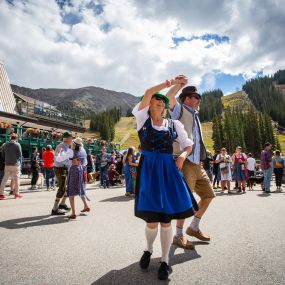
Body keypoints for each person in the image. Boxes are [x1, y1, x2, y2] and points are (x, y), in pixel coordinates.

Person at [133, 79, 198, 280]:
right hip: (149, 170)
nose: (161, 103)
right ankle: (148, 248)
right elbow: (147, 91)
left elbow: (188, 144)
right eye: (156, 101)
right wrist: (168, 82)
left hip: (168, 170)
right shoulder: (142, 119)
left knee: (166, 219)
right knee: (152, 220)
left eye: (163, 102)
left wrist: (182, 156)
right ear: (149, 104)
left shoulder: (173, 124)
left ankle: (164, 261)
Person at [167, 79, 215, 249]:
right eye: (195, 96)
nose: (198, 99)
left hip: (197, 163)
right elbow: (169, 96)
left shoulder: (196, 116)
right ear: (187, 98)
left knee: (209, 195)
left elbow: (195, 139)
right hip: (184, 160)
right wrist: (178, 85)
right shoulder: (179, 110)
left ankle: (193, 227)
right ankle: (178, 236)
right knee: (185, 200)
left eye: (198, 97)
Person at [56, 138, 89, 219]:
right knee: (80, 188)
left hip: (73, 170)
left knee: (71, 191)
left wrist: (60, 151)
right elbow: (85, 163)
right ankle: (86, 206)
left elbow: (59, 159)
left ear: (74, 144)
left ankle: (73, 213)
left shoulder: (70, 151)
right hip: (80, 169)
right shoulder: (83, 151)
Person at [51, 132, 73, 215]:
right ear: (67, 138)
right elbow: (60, 159)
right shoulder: (61, 146)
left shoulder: (66, 146)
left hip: (64, 168)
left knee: (66, 187)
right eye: (71, 138)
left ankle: (62, 204)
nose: (72, 139)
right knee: (62, 188)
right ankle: (54, 209)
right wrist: (71, 163)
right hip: (60, 169)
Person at [0, 134, 22, 199]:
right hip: (15, 164)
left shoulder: (5, 145)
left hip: (7, 164)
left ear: (10, 138)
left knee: (4, 179)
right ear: (16, 138)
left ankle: (1, 194)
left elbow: (3, 155)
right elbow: (20, 155)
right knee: (17, 179)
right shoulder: (17, 144)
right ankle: (16, 194)